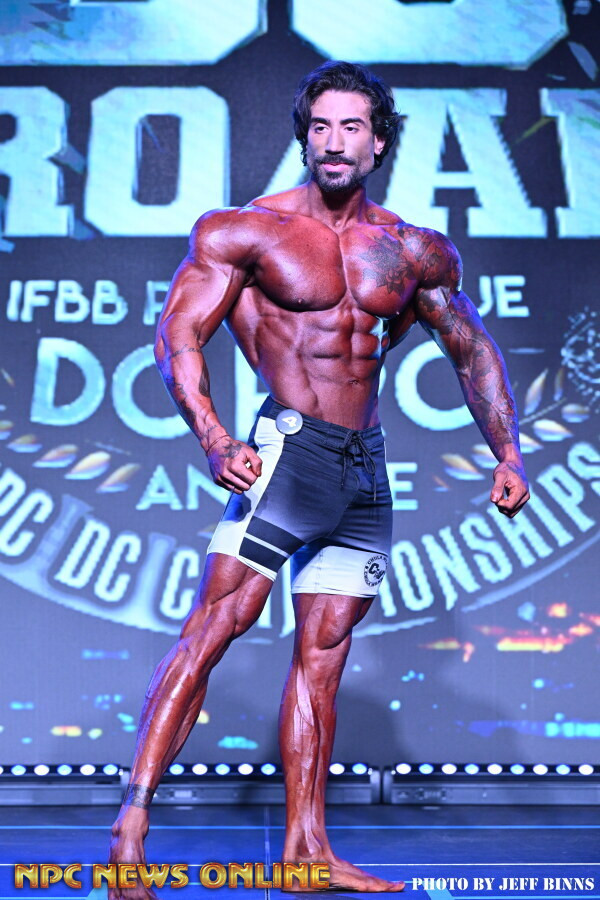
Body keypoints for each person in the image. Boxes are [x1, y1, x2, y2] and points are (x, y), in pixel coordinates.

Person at [108, 60, 530, 895]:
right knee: (215, 629)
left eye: (351, 128)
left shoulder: (411, 249)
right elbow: (177, 337)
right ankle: (131, 827)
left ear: (378, 144)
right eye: (321, 127)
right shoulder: (245, 230)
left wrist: (507, 453)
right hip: (286, 457)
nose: (334, 142)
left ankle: (308, 853)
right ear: (305, 138)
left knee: (324, 657)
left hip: (363, 470)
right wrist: (214, 437)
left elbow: (470, 348)